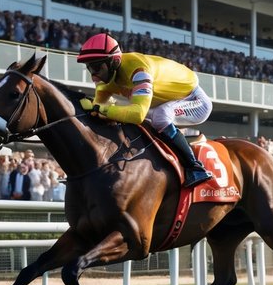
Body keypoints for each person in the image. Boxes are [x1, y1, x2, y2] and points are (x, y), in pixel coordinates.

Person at [75, 32, 213, 188]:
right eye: (89, 68)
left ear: (113, 62)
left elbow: (137, 114)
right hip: (165, 104)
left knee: (159, 117)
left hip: (195, 100)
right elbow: (97, 111)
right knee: (139, 117)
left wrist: (100, 108)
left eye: (96, 67)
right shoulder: (104, 80)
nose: (93, 75)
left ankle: (195, 167)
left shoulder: (138, 70)